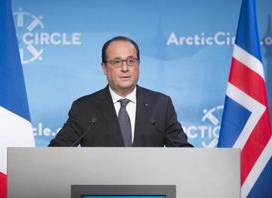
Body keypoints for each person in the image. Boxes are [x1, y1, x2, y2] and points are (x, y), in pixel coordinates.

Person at [49, 36, 192, 147]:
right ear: (104, 68)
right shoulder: (84, 108)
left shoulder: (161, 105)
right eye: (117, 62)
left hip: (149, 184)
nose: (125, 68)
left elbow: (183, 153)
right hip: (101, 184)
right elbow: (57, 153)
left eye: (131, 61)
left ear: (139, 65)